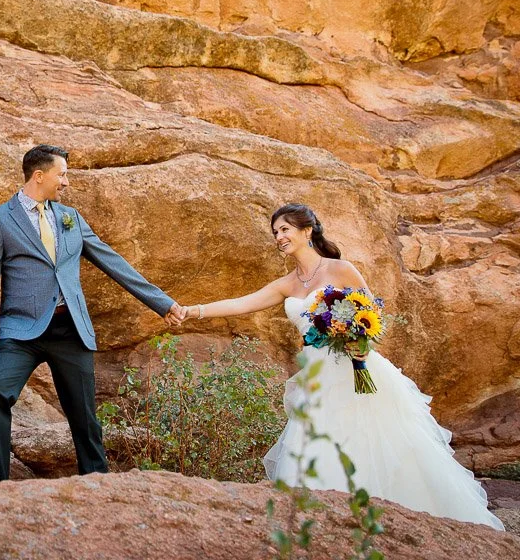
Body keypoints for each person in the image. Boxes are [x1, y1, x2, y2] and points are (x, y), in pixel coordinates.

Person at [179, 203, 502, 529]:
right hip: (317, 378)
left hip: (354, 369)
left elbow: (372, 317)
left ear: (306, 231)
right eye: (276, 232)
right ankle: (327, 528)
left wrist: (362, 345)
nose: (279, 237)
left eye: (285, 229)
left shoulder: (341, 269)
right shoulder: (288, 284)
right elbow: (241, 303)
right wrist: (191, 311)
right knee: (317, 447)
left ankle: (399, 524)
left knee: (373, 441)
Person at [0, 144, 187, 486]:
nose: (66, 182)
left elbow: (112, 262)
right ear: (40, 176)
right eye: (62, 174)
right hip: (20, 330)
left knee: (84, 417)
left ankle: (98, 488)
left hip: (70, 330)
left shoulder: (70, 217)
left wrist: (162, 303)